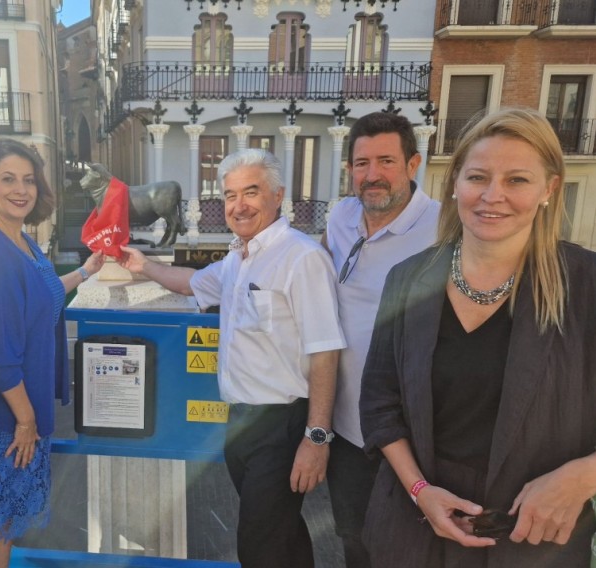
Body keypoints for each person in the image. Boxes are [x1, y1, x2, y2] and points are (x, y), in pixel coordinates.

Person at [359, 107, 596, 567]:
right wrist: (420, 491)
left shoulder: (586, 284)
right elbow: (379, 403)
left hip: (534, 546)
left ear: (549, 188)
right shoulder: (408, 279)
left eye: (517, 180)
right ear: (454, 184)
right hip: (413, 535)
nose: (492, 196)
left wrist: (582, 478)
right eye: (478, 177)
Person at [117, 148, 345, 567]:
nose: (239, 206)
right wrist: (143, 264)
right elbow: (191, 283)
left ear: (277, 196)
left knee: (259, 546)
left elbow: (325, 352)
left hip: (282, 423)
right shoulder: (238, 259)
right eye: (229, 195)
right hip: (240, 422)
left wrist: (317, 438)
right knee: (283, 535)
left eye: (251, 193)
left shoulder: (302, 258)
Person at [0, 138, 103, 568]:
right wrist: (25, 420)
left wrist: (85, 271)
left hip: (24, 414)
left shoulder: (21, 242)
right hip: (7, 422)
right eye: (8, 179)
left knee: (6, 529)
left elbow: (44, 293)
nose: (21, 189)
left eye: (29, 180)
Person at [322, 112, 440, 567]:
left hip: (408, 430)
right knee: (353, 538)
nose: (372, 175)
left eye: (386, 161)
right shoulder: (341, 215)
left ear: (413, 165)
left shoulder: (444, 229)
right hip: (346, 425)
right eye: (361, 163)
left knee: (410, 550)